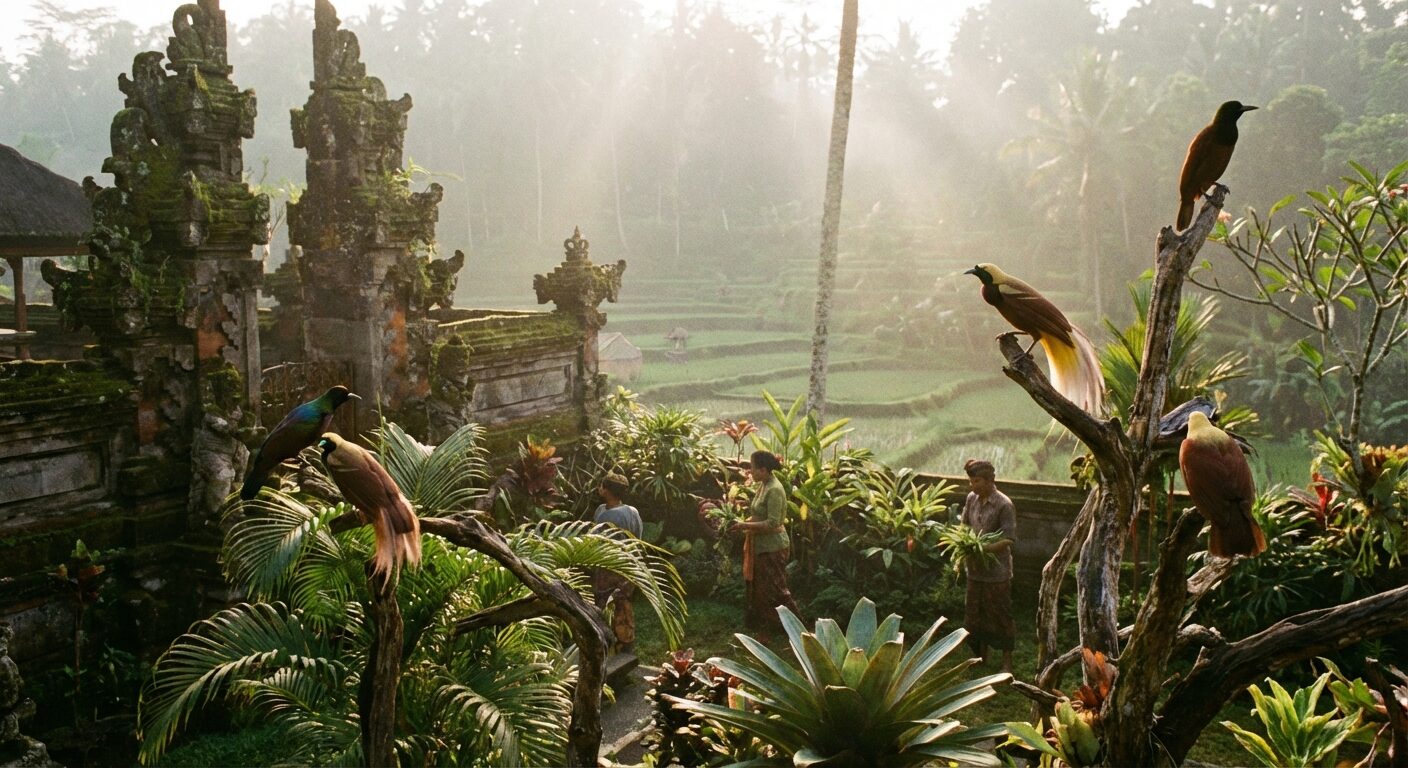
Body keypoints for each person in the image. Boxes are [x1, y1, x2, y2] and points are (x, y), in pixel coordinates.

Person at [729, 450, 800, 635]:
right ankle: (768, 626)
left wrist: (744, 524)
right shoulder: (763, 485)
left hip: (774, 547)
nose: (750, 471)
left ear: (763, 469)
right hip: (761, 546)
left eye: (752, 468)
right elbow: (758, 514)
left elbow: (773, 522)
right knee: (760, 588)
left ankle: (796, 626)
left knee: (775, 588)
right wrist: (742, 524)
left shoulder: (775, 489)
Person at [959, 458, 1017, 673]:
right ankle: (980, 657)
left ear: (990, 480)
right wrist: (964, 544)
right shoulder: (971, 499)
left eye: (976, 481)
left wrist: (984, 548)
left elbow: (1009, 539)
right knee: (975, 615)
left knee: (1000, 614)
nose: (972, 486)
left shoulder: (1004, 504)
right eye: (971, 481)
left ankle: (1006, 663)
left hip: (997, 573)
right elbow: (964, 526)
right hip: (975, 571)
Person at [592, 472, 642, 654]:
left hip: (613, 568)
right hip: (626, 566)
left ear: (606, 490)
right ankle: (621, 644)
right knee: (619, 606)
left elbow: (597, 542)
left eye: (601, 486)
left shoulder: (609, 516)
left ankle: (618, 647)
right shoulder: (630, 511)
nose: (599, 489)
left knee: (614, 606)